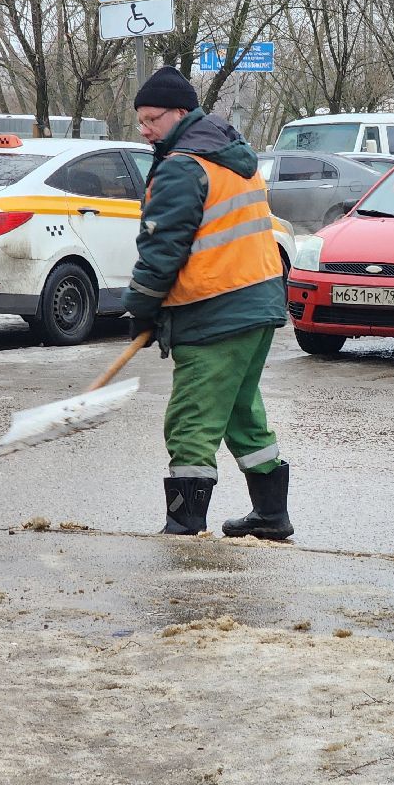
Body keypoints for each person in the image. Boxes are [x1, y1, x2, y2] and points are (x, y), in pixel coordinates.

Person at [122, 66, 295, 540]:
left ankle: (185, 524)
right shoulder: (232, 155)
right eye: (140, 120)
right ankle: (271, 516)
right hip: (257, 303)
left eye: (153, 119)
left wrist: (141, 304)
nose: (144, 129)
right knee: (241, 413)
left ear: (180, 113)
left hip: (215, 309)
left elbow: (163, 247)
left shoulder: (183, 166)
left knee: (191, 419)